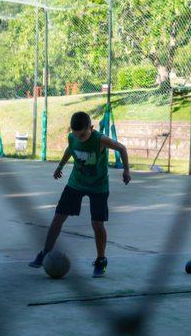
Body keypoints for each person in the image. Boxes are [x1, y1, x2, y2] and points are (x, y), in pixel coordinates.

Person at [29, 111, 130, 278]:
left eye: (83, 134)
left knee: (97, 224)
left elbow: (121, 148)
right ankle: (45, 252)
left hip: (98, 186)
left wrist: (126, 170)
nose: (80, 138)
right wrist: (60, 166)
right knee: (58, 218)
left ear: (91, 127)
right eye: (76, 134)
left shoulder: (100, 139)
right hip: (76, 183)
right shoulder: (73, 137)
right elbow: (70, 149)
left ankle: (101, 260)